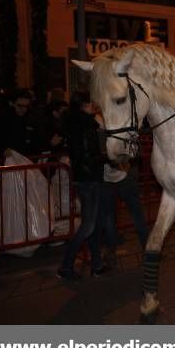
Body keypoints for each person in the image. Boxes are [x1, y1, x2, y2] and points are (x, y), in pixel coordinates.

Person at [57, 91, 109, 280]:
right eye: (90, 102)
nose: (94, 104)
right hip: (89, 179)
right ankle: (66, 266)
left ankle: (96, 265)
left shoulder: (74, 123)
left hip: (82, 177)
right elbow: (88, 155)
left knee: (92, 224)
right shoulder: (86, 125)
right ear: (83, 105)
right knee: (88, 226)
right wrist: (107, 157)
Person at [0, 89, 46, 158]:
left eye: (26, 106)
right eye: (19, 106)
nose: (24, 109)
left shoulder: (32, 119)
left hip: (27, 161)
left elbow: (37, 141)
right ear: (11, 103)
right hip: (7, 162)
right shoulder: (0, 119)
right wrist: (2, 150)